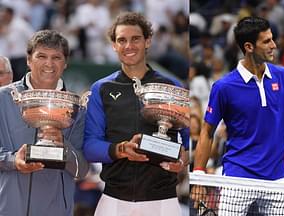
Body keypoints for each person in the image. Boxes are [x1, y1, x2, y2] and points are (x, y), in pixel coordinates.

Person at [193, 16, 284, 215]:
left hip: (277, 178)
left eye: (272, 39)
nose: (274, 45)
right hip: (238, 177)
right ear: (249, 47)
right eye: (267, 41)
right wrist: (199, 177)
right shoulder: (224, 87)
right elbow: (207, 132)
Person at [83, 12, 189, 216]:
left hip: (163, 200)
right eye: (121, 40)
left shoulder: (171, 86)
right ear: (114, 45)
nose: (128, 46)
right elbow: (89, 146)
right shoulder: (101, 88)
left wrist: (182, 161)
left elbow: (187, 142)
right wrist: (121, 149)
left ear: (148, 41)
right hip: (114, 199)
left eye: (135, 39)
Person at [0, 30, 89, 216]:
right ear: (28, 60)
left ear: (65, 63)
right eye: (41, 56)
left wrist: (63, 143)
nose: (49, 64)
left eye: (56, 57)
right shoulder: (3, 98)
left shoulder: (77, 109)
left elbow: (81, 170)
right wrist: (13, 160)